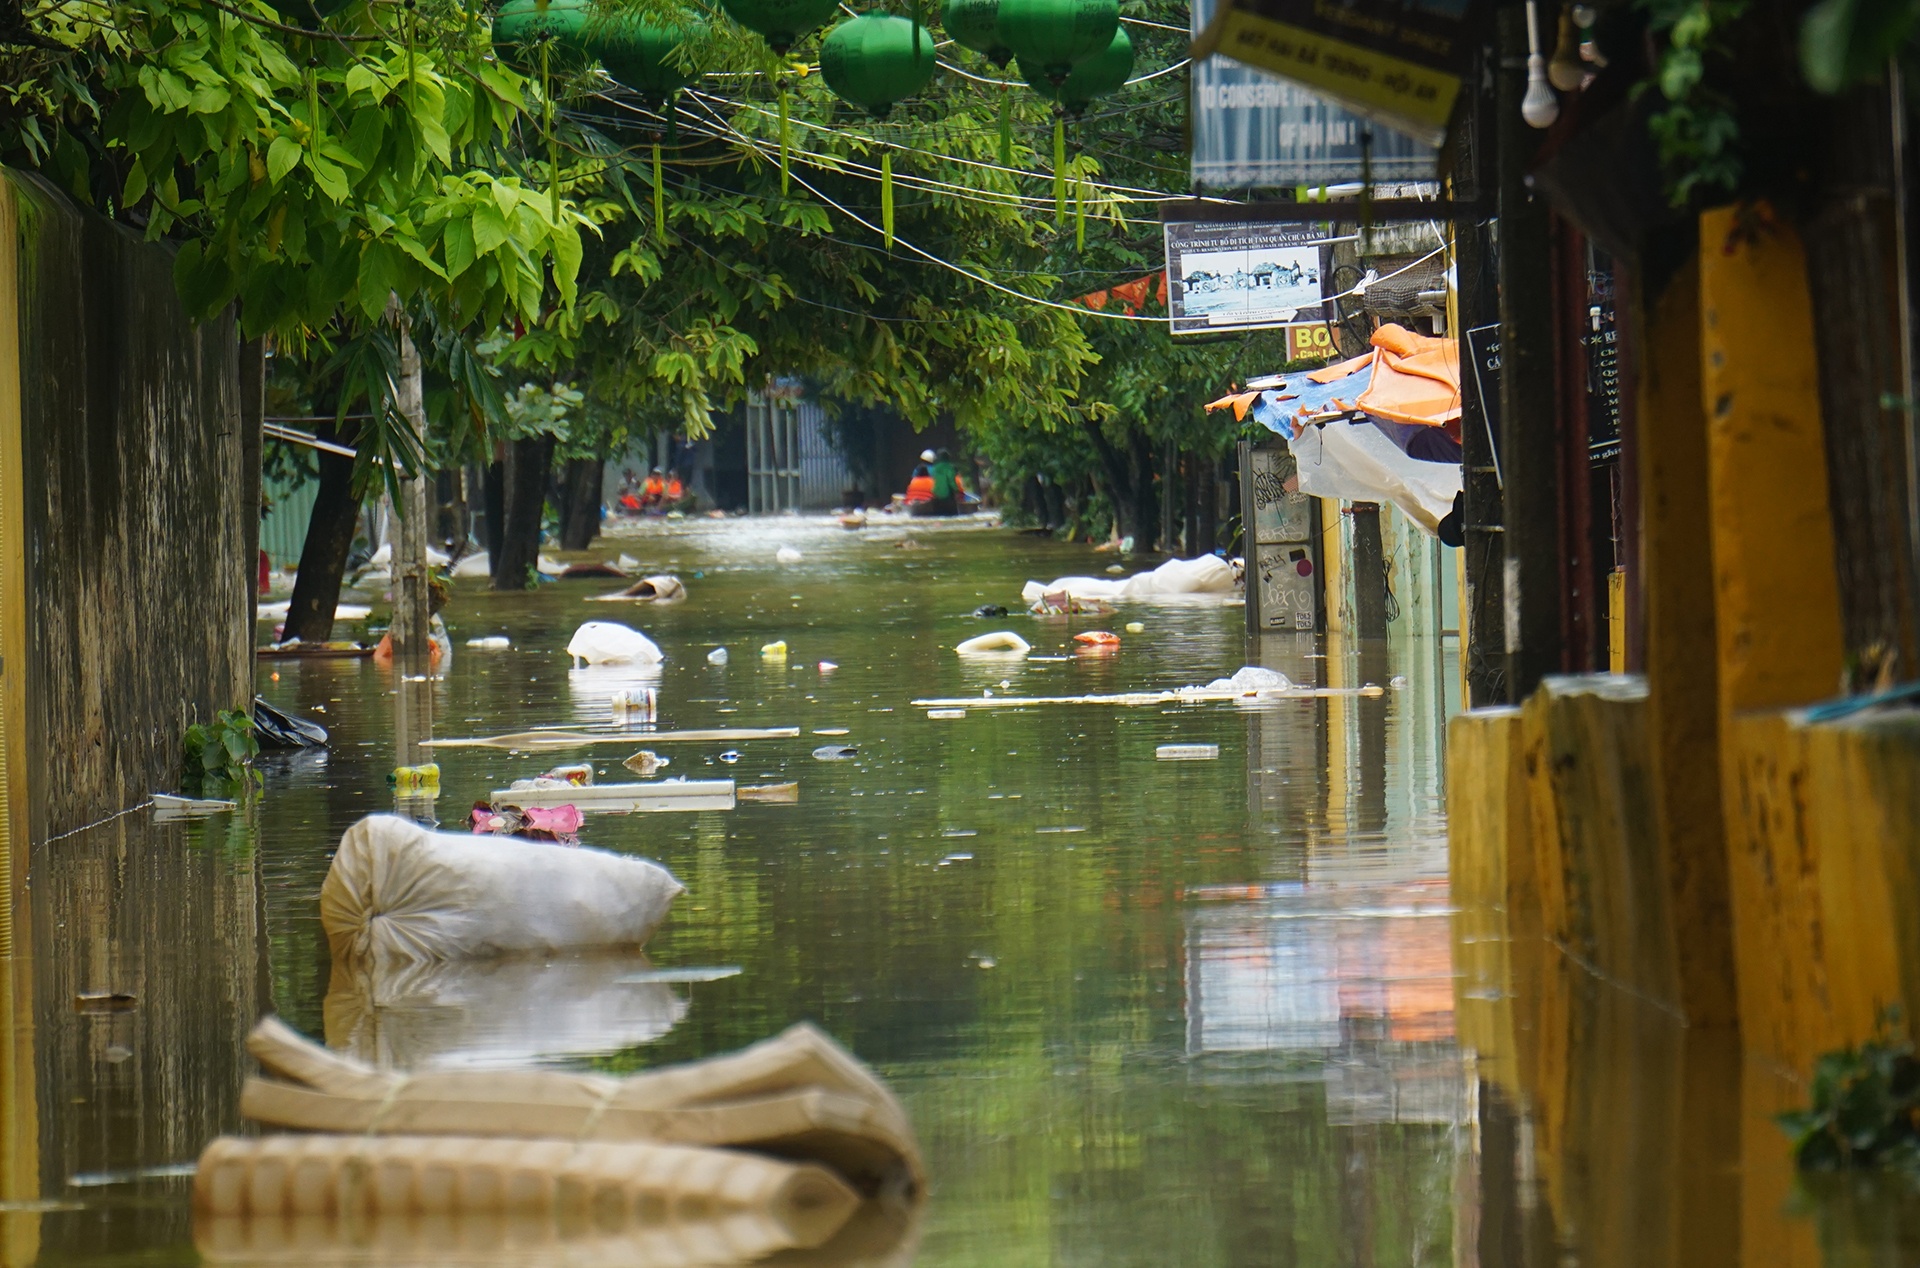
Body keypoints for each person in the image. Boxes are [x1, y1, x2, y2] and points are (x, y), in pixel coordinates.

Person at [913, 448, 966, 517]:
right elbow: (953, 484)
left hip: (936, 500)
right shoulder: (950, 468)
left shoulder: (932, 469)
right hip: (948, 500)